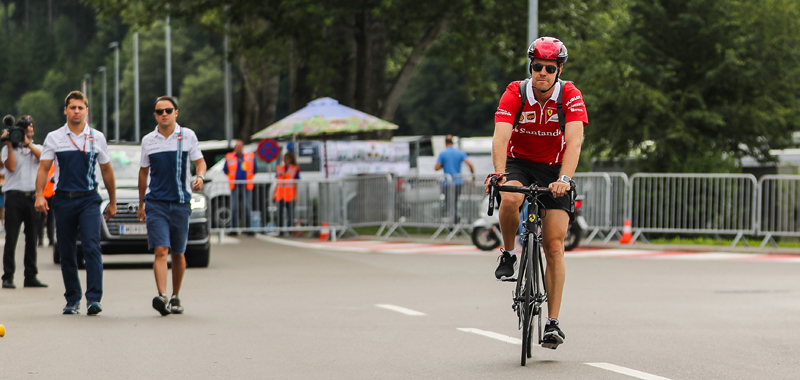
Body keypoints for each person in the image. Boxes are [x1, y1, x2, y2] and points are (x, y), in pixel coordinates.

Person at [485, 37, 587, 350]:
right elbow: (501, 137)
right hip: (518, 162)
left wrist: (565, 178)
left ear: (559, 70)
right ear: (531, 66)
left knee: (555, 245)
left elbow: (575, 141)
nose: (542, 72)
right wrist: (500, 174)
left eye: (549, 68)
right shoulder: (516, 91)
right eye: (537, 67)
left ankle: (553, 324)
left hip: (554, 169)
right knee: (512, 196)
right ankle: (508, 252)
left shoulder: (569, 94)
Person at [35, 91, 117, 315]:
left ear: (86, 110)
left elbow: (107, 170)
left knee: (92, 247)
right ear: (66, 110)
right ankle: (72, 299)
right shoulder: (54, 137)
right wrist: (40, 195)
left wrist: (113, 201)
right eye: (73, 107)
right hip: (63, 199)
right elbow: (43, 168)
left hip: (89, 199)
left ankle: (93, 299)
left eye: (81, 107)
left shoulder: (96, 137)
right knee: (67, 251)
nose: (77, 111)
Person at [138, 95, 206, 316]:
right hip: (156, 202)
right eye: (159, 112)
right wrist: (141, 203)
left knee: (178, 252)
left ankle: (176, 296)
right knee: (160, 249)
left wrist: (200, 176)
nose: (164, 114)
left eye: (168, 110)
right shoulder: (148, 140)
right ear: (155, 115)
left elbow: (200, 162)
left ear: (176, 112)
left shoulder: (187, 136)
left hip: (180, 202)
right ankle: (162, 296)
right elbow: (143, 172)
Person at [2, 115, 47, 289]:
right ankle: (8, 276)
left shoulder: (37, 147)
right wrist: (9, 145)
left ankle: (30, 276)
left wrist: (28, 144)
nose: (29, 129)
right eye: (25, 127)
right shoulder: (9, 148)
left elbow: (44, 159)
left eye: (31, 126)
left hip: (32, 197)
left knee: (32, 238)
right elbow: (11, 167)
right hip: (14, 197)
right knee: (11, 237)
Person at [435, 135, 474, 225]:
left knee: (449, 204)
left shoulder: (443, 153)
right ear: (452, 142)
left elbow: (436, 167)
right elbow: (470, 164)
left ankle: (456, 221)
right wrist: (473, 177)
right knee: (455, 203)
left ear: (445, 143)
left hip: (448, 183)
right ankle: (455, 221)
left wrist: (443, 164)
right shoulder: (459, 153)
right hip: (458, 182)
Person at [223, 140, 256, 236]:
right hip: (234, 186)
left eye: (239, 146)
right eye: (236, 146)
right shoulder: (230, 157)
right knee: (234, 208)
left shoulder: (249, 157)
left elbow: (254, 170)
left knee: (247, 207)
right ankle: (234, 228)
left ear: (242, 147)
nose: (237, 148)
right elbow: (226, 170)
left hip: (246, 185)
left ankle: (248, 228)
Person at [274, 151, 300, 235]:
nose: (285, 160)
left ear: (290, 159)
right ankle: (280, 230)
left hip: (290, 194)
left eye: (286, 158)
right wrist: (274, 193)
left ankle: (289, 230)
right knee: (279, 213)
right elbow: (278, 182)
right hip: (280, 194)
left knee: (290, 214)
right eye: (284, 159)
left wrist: (295, 195)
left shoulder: (294, 168)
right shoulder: (280, 168)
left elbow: (296, 183)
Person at [38, 165, 56, 247]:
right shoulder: (43, 165)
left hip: (52, 194)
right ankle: (40, 239)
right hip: (44, 195)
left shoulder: (54, 166)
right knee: (41, 219)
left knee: (50, 219)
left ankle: (51, 239)